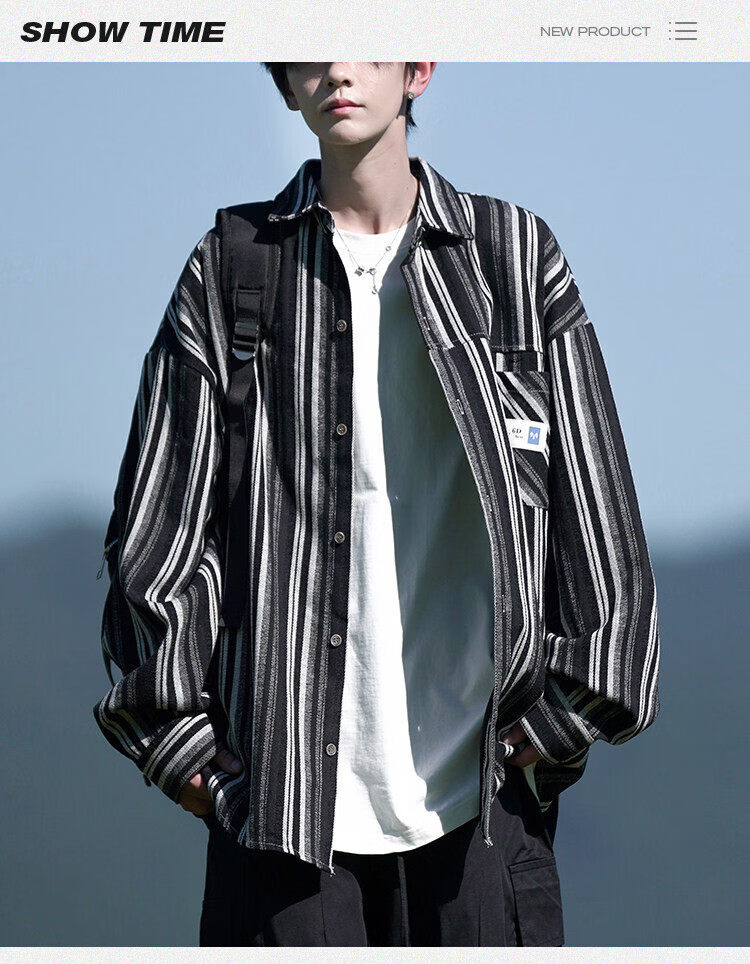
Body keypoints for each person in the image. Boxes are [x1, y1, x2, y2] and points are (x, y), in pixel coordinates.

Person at [93, 62, 661, 947]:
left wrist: (568, 716)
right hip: (279, 817)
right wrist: (184, 751)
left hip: (484, 805)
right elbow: (154, 534)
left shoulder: (513, 259)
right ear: (285, 82)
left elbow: (598, 515)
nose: (337, 66)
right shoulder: (231, 268)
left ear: (419, 67)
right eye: (309, 43)